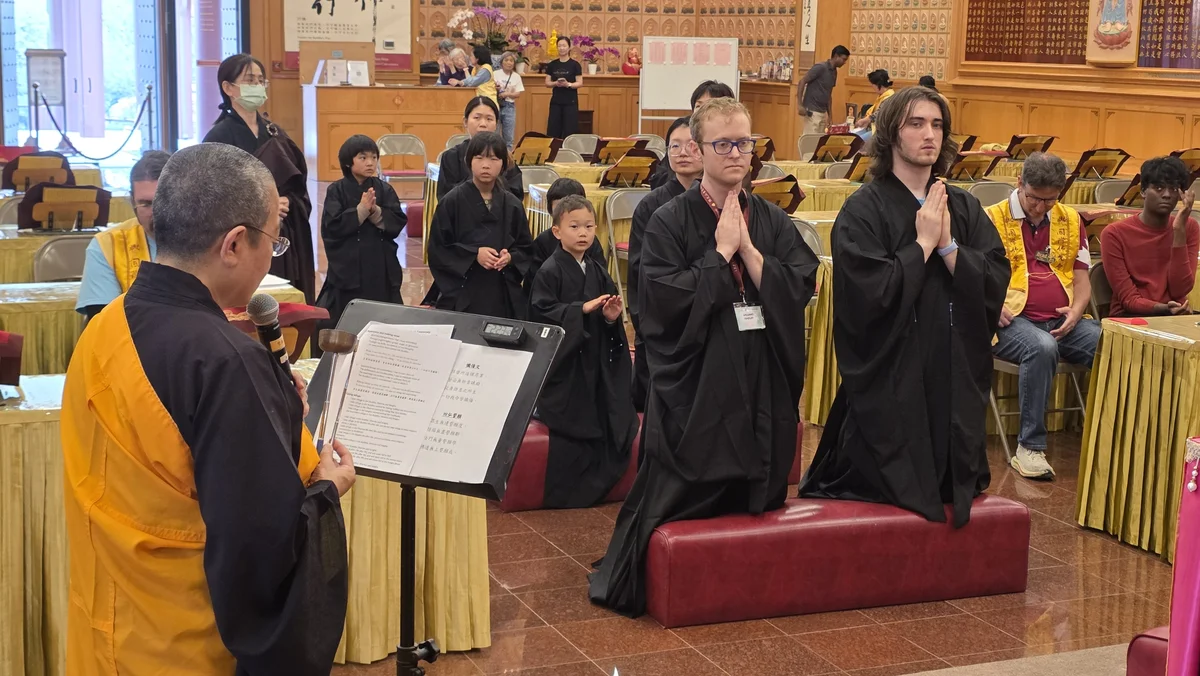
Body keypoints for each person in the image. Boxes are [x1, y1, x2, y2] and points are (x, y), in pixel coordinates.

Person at [61, 143, 357, 675]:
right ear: (235, 243)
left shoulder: (107, 324)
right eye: (275, 240)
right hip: (187, 644)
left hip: (109, 627)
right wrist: (327, 491)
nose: (273, 257)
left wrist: (274, 411)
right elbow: (260, 546)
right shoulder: (225, 361)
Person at [589, 98, 819, 616]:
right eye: (724, 144)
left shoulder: (770, 217)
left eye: (745, 143)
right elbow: (659, 300)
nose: (736, 153)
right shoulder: (668, 220)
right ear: (699, 148)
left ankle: (747, 581)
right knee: (693, 481)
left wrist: (750, 253)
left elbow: (802, 279)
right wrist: (718, 256)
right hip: (699, 376)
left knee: (757, 475)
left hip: (760, 368)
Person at [799, 86, 1011, 527]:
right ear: (892, 133)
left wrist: (949, 247)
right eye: (916, 124)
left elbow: (995, 276)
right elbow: (867, 294)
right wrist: (922, 245)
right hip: (894, 369)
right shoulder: (863, 210)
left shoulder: (964, 206)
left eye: (937, 125)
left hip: (952, 363)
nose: (929, 134)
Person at [984, 152, 1099, 481]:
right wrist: (990, 304)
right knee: (1042, 347)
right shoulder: (990, 218)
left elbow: (1081, 278)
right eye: (1035, 198)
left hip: (1062, 320)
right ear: (1019, 183)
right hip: (1010, 320)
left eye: (1050, 200)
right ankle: (1029, 448)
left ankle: (1110, 436)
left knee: (1111, 342)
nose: (1041, 207)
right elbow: (967, 273)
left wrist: (1077, 311)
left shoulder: (1070, 219)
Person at [530, 195, 638, 508]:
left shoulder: (597, 269)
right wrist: (579, 310)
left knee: (614, 417)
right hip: (566, 370)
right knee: (575, 428)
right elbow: (541, 314)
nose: (583, 233)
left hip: (594, 362)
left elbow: (608, 313)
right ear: (557, 231)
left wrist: (610, 317)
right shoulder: (549, 271)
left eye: (589, 227)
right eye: (574, 226)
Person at [203, 53, 315, 304]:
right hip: (244, 239)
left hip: (281, 235)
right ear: (228, 88)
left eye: (260, 80)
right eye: (249, 80)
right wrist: (267, 205)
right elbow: (214, 195)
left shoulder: (275, 133)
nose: (257, 86)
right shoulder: (218, 138)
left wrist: (287, 201)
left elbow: (297, 185)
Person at [629, 115, 703, 414]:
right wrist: (645, 325)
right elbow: (639, 272)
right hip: (660, 322)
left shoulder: (720, 200)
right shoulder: (651, 205)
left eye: (691, 145)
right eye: (675, 146)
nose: (683, 153)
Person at [429, 131, 533, 319]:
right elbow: (438, 249)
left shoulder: (512, 204)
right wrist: (473, 255)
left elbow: (526, 248)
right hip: (464, 292)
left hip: (501, 292)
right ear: (468, 161)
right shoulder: (452, 201)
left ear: (503, 164)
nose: (486, 165)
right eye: (479, 157)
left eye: (494, 159)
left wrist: (510, 257)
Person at [316, 134, 406, 338]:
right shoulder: (336, 190)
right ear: (349, 162)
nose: (370, 163)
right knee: (347, 322)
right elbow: (332, 227)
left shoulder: (384, 189)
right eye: (363, 158)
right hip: (349, 267)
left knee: (383, 318)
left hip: (380, 264)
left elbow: (397, 221)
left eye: (374, 157)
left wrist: (376, 212)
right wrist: (360, 211)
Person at [76, 150, 171, 320]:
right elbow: (103, 324)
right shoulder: (108, 246)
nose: (156, 212)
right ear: (132, 201)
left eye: (163, 201)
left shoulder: (209, 238)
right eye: (146, 204)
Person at [1101, 155, 1200, 317]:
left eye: (1174, 189)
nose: (1167, 195)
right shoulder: (1114, 233)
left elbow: (1180, 290)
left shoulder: (1188, 227)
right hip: (1129, 316)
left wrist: (1179, 231)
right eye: (1159, 188)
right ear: (1143, 191)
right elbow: (1129, 300)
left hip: (1175, 314)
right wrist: (1164, 308)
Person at [437, 96, 525, 203]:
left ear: (496, 124)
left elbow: (516, 197)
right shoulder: (451, 157)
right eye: (477, 118)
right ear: (465, 122)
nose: (483, 124)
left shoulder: (504, 156)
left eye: (489, 119)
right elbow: (445, 198)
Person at [526, 177, 604, 293]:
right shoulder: (543, 241)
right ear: (550, 210)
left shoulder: (590, 241)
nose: (566, 211)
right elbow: (533, 284)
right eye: (559, 207)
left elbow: (602, 279)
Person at [798, 45, 850, 136]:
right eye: (843, 59)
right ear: (836, 56)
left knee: (820, 142)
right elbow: (802, 81)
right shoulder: (820, 67)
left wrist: (830, 116)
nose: (844, 62)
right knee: (809, 141)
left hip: (822, 112)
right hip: (812, 111)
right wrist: (800, 105)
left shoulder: (834, 72)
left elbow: (829, 94)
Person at [545, 36, 583, 138]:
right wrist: (555, 83)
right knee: (553, 129)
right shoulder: (552, 65)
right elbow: (547, 83)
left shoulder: (575, 65)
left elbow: (580, 83)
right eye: (559, 46)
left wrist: (568, 84)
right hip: (556, 102)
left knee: (570, 130)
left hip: (570, 102)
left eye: (564, 46)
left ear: (569, 47)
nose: (561, 48)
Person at [853, 69, 895, 142]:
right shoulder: (882, 96)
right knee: (852, 136)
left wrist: (866, 120)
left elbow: (880, 113)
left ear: (878, 85)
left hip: (881, 132)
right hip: (873, 128)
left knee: (857, 141)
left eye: (873, 85)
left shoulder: (889, 97)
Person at [495, 51, 525, 147]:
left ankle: (508, 155)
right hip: (496, 105)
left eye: (511, 60)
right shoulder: (495, 74)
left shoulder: (516, 76)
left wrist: (507, 94)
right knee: (494, 136)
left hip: (509, 107)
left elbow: (518, 93)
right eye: (506, 60)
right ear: (501, 62)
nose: (509, 63)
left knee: (509, 138)